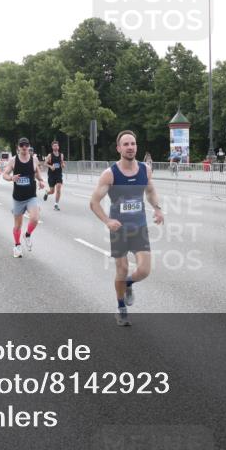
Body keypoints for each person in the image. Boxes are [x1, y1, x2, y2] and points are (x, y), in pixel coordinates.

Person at [90, 130, 164, 327]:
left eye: (133, 143)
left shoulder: (145, 170)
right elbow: (94, 203)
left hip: (139, 227)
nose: (130, 147)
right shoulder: (110, 174)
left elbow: (150, 191)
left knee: (144, 270)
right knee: (121, 269)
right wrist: (107, 221)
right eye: (126, 144)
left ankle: (128, 285)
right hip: (119, 229)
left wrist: (157, 209)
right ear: (119, 148)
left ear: (136, 147)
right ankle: (121, 307)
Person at [2, 137, 46, 258]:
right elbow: (4, 174)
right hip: (18, 198)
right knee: (17, 225)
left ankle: (27, 235)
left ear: (29, 146)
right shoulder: (13, 160)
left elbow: (36, 173)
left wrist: (41, 181)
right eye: (22, 145)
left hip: (31, 196)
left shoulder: (34, 159)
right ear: (18, 147)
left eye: (26, 145)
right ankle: (17, 246)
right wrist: (11, 178)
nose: (24, 147)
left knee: (35, 218)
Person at [42, 140, 65, 211]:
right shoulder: (50, 155)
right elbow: (44, 164)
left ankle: (56, 204)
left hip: (59, 175)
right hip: (51, 175)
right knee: (52, 191)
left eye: (57, 145)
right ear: (52, 147)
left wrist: (63, 165)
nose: (56, 147)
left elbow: (62, 163)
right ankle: (47, 193)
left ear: (58, 146)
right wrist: (50, 166)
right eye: (54, 146)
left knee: (58, 189)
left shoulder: (61, 155)